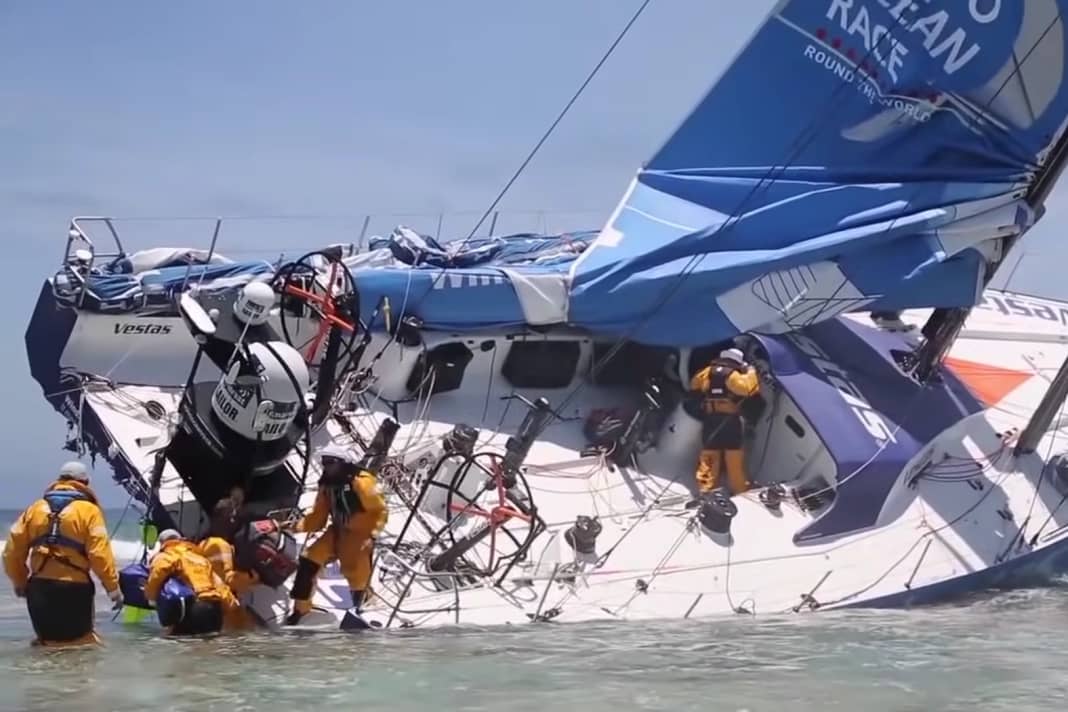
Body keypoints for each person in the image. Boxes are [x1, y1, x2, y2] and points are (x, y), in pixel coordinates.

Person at [2, 461, 122, 647]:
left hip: (39, 589)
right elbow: (99, 554)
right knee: (82, 646)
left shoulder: (34, 509)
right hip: (74, 589)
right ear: (85, 483)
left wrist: (20, 582)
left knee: (46, 645)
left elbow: (11, 551)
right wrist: (113, 589)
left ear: (59, 481)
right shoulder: (89, 511)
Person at [284, 444, 387, 625]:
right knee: (309, 559)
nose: (326, 467)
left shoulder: (363, 482)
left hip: (359, 536)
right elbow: (318, 518)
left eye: (330, 462)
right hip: (337, 531)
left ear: (343, 463)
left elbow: (380, 511)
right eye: (324, 463)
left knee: (356, 575)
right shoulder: (327, 487)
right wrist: (294, 527)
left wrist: (372, 535)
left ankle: (362, 610)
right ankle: (301, 609)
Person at [689, 348, 763, 497]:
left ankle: (705, 489)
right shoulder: (733, 375)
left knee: (710, 452)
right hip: (730, 420)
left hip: (711, 418)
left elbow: (694, 384)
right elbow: (749, 389)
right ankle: (740, 488)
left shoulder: (707, 372)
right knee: (733, 454)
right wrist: (751, 372)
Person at [144, 528, 240, 636]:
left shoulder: (168, 554)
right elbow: (219, 585)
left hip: (194, 608)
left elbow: (157, 573)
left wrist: (150, 597)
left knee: (182, 646)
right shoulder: (200, 559)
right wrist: (230, 605)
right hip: (214, 610)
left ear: (161, 544)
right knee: (210, 649)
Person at [197, 498, 260, 631]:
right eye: (229, 516)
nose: (233, 520)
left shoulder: (202, 544)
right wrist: (254, 578)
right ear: (217, 519)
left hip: (208, 607)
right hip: (224, 609)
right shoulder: (220, 545)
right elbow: (229, 579)